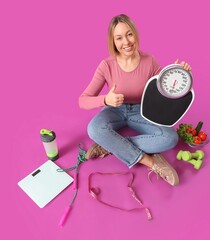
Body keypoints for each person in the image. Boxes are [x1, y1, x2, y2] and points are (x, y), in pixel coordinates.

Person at [79, 14, 192, 186]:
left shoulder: (150, 61)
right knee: (94, 129)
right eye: (119, 38)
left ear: (136, 34)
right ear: (113, 42)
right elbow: (83, 100)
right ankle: (152, 162)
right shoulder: (106, 65)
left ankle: (110, 145)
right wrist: (106, 100)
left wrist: (179, 74)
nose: (126, 42)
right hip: (114, 110)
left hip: (142, 111)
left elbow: (166, 92)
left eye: (129, 34)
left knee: (170, 138)